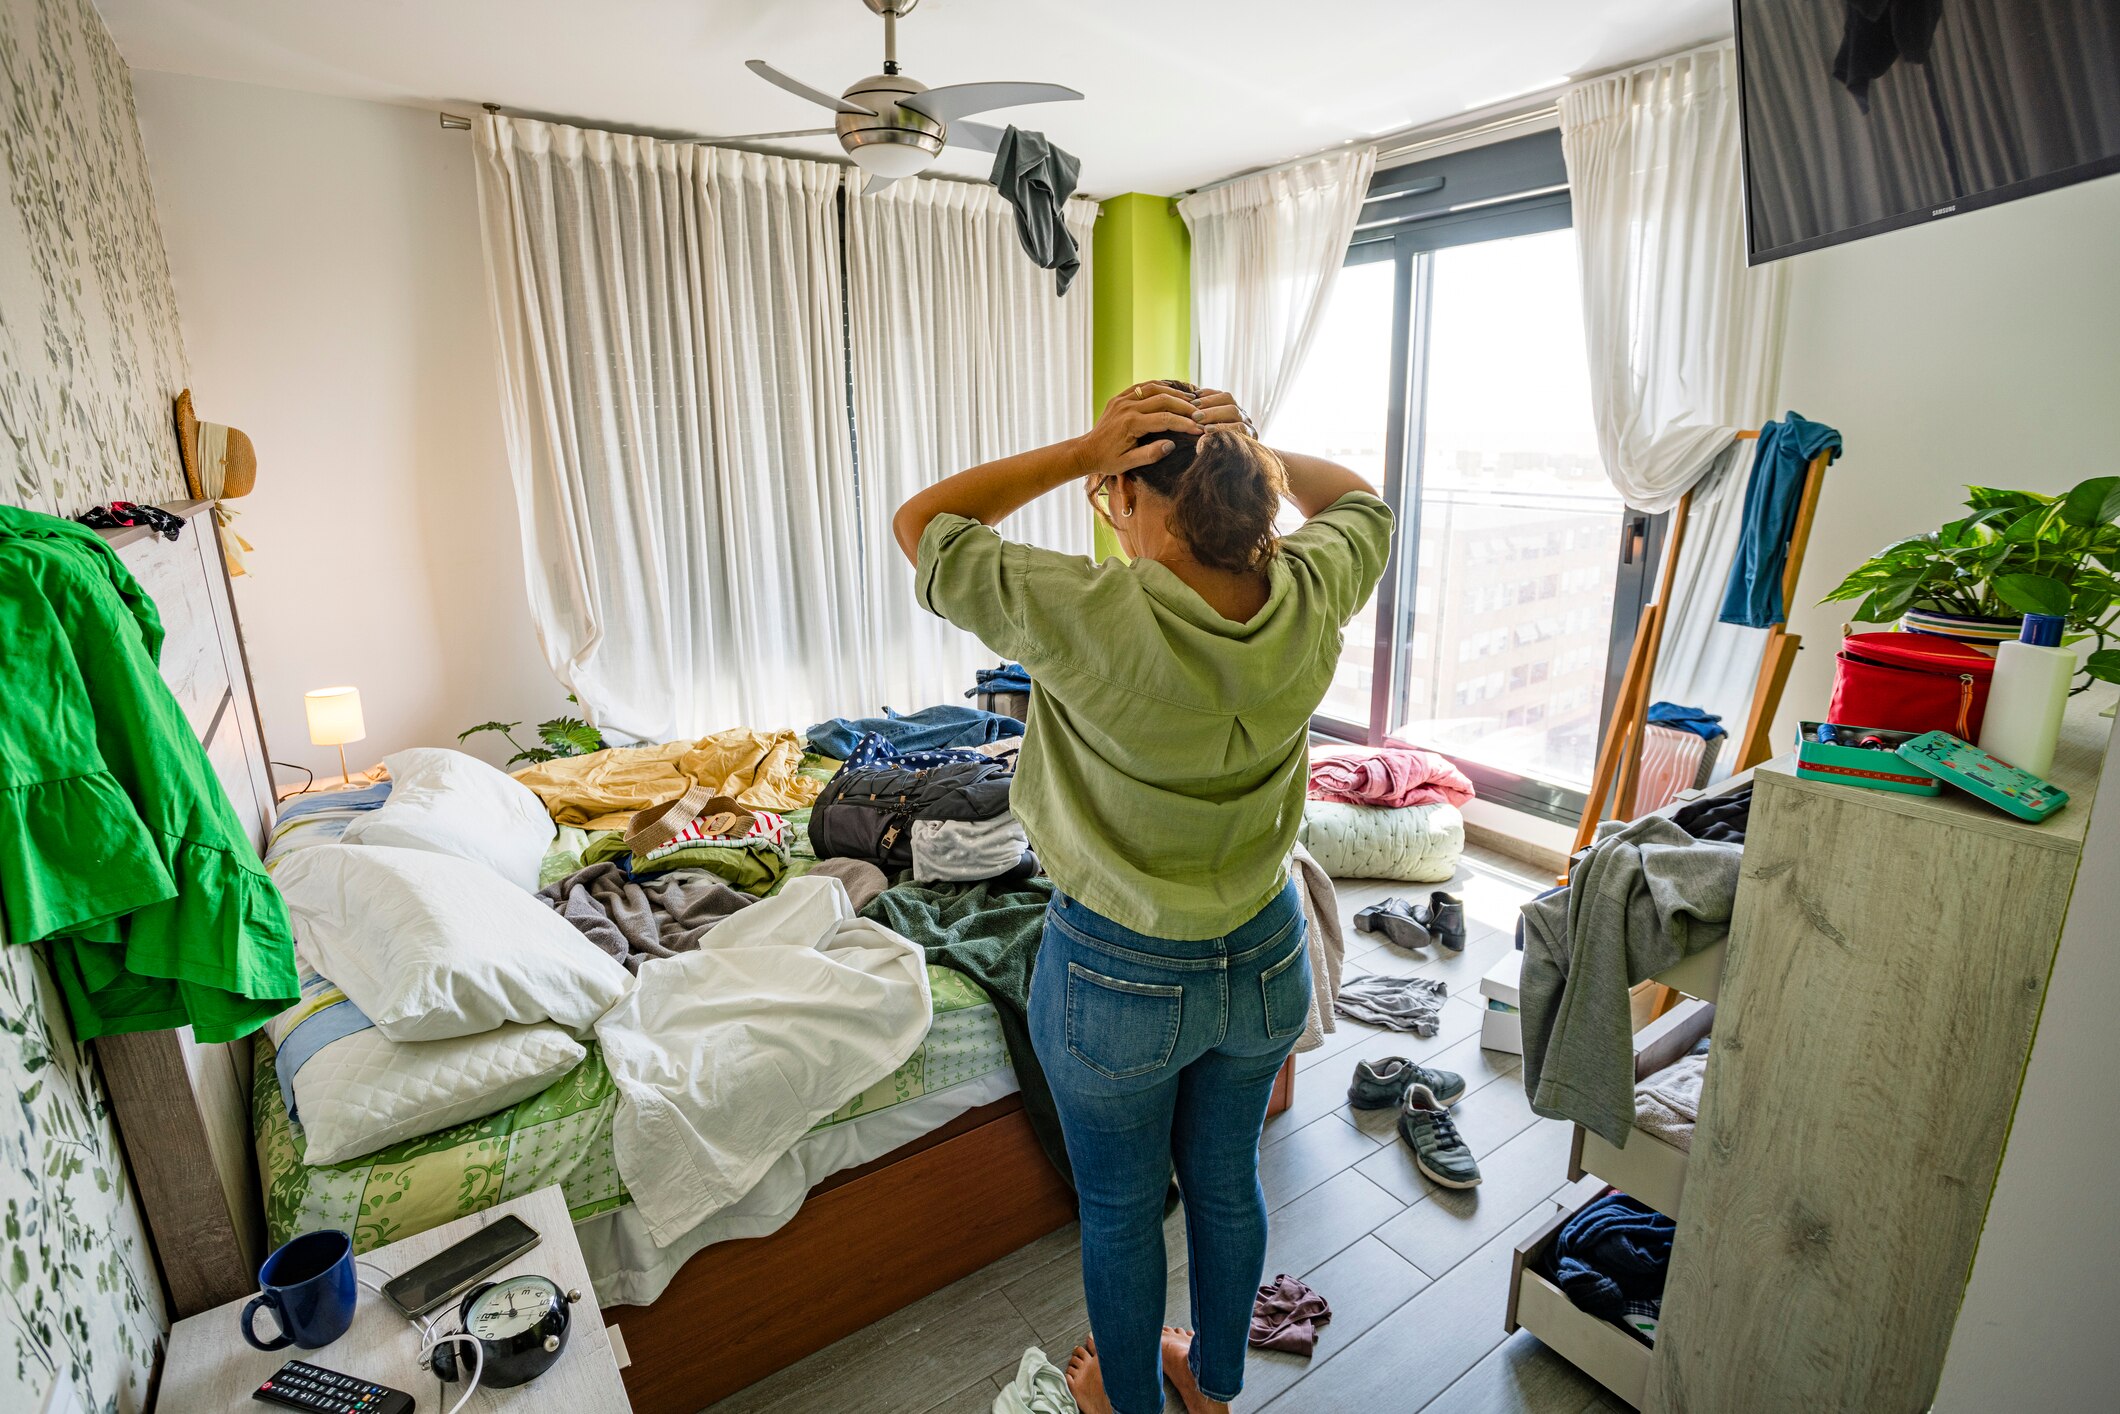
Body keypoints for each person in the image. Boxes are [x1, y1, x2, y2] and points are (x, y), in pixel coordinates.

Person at [891, 381, 1392, 1414]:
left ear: (1126, 494)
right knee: (1225, 1184)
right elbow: (1365, 504)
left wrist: (1082, 447)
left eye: (1109, 493)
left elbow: (922, 523)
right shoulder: (1304, 589)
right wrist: (1248, 449)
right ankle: (1210, 1389)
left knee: (1121, 1211)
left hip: (1115, 971)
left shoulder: (1083, 607)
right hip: (1264, 954)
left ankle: (1122, 1403)